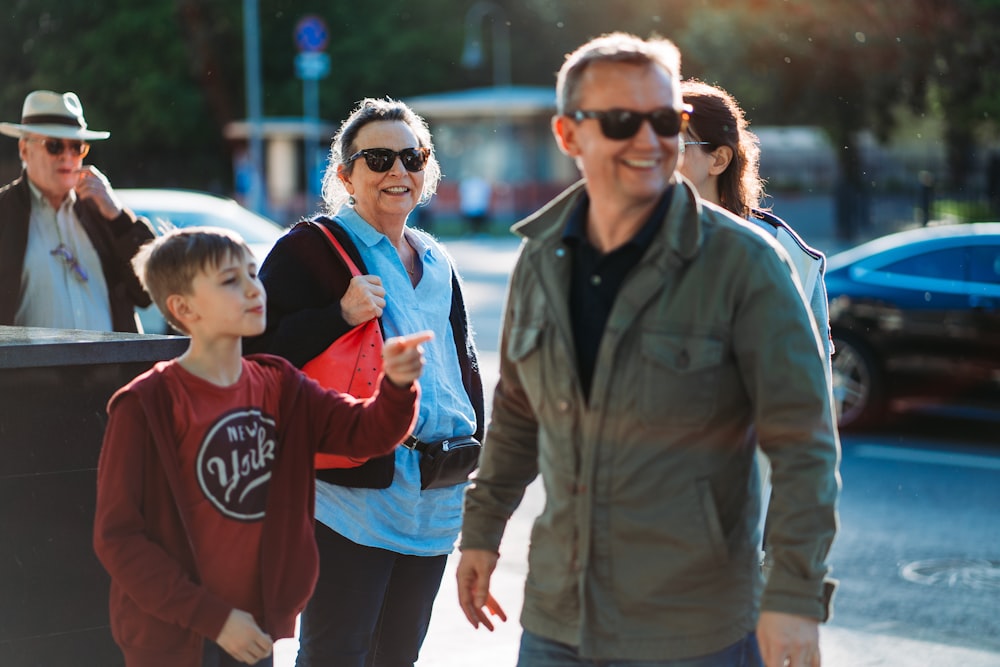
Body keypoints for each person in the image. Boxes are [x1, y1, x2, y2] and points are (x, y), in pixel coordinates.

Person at [456, 32, 841, 667]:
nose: (650, 140)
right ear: (568, 135)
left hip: (695, 630)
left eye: (666, 120)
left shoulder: (746, 263)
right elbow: (520, 412)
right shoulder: (542, 259)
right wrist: (482, 530)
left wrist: (794, 597)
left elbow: (804, 443)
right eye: (620, 121)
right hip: (557, 621)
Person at [92, 226, 429, 667]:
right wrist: (215, 620)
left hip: (252, 631)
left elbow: (365, 432)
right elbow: (119, 539)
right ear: (183, 307)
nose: (255, 289)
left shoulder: (280, 384)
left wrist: (399, 385)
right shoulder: (145, 405)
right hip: (173, 639)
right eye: (231, 281)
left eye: (254, 274)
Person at [244, 97, 484, 667]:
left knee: (396, 657)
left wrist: (474, 453)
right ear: (345, 174)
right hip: (350, 495)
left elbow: (461, 365)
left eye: (411, 156)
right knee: (337, 654)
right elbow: (252, 357)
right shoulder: (309, 249)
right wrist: (337, 317)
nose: (398, 171)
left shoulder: (435, 256)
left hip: (434, 494)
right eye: (378, 159)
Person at [678, 79, 832, 362]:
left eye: (676, 145)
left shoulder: (785, 253)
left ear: (719, 160)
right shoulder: (630, 240)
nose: (657, 158)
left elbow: (813, 385)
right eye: (651, 143)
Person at [0, 90, 154, 331]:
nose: (68, 157)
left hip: (110, 368)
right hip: (31, 369)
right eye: (54, 146)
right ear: (24, 150)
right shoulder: (5, 212)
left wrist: (118, 217)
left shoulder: (102, 211)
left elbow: (151, 290)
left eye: (77, 147)